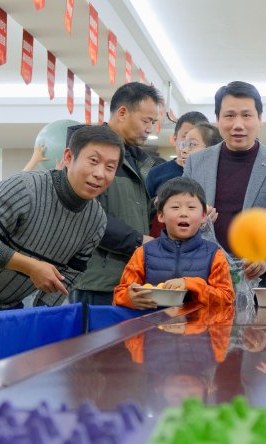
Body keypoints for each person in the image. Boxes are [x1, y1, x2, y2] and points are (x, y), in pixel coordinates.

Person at [0, 125, 123, 310]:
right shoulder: (24, 187)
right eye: (93, 161)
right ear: (68, 157)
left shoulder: (96, 221)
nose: (100, 174)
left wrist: (42, 313)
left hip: (8, 309)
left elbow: (71, 273)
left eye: (110, 167)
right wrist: (30, 267)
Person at [184, 80, 266, 287]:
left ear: (260, 119)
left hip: (261, 283)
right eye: (230, 115)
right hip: (205, 280)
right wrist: (195, 217)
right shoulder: (196, 163)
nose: (238, 125)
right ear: (217, 119)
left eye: (246, 115)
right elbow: (182, 215)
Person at [70, 82, 164, 306]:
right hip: (97, 282)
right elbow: (85, 215)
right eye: (146, 121)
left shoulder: (141, 162)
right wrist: (138, 241)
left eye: (153, 123)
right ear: (122, 112)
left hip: (132, 278)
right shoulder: (89, 152)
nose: (149, 128)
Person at [113, 177, 234, 309]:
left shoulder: (214, 254)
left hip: (199, 322)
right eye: (175, 207)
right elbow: (120, 293)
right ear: (161, 215)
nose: (183, 213)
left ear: (203, 216)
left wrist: (191, 284)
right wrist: (130, 298)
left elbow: (227, 298)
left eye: (191, 207)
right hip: (152, 321)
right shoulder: (144, 252)